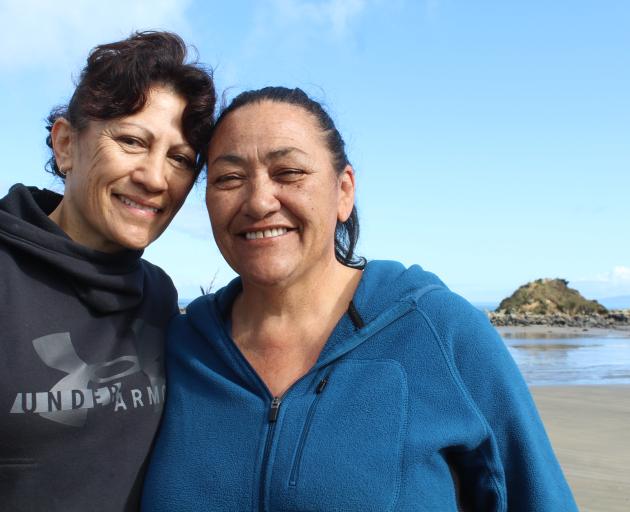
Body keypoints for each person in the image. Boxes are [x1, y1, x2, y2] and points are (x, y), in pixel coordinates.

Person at [142, 87, 577, 511]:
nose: (258, 201)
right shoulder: (181, 345)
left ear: (344, 191)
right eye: (229, 178)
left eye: (288, 172)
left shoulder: (440, 330)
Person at [0, 31, 215, 511]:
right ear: (65, 144)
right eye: (133, 141)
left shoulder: (157, 294)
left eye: (180, 159)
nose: (155, 178)